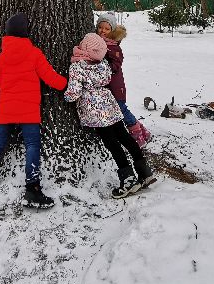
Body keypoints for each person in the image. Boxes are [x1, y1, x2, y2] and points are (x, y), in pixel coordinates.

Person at [0, 12, 67, 209]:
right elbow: (50, 78)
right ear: (25, 32)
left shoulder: (4, 55)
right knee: (32, 145)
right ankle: (32, 188)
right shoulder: (34, 53)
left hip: (6, 110)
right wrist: (66, 83)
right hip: (29, 111)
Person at [65, 32, 157, 198]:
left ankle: (128, 180)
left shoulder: (77, 67)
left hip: (95, 113)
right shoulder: (103, 64)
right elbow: (108, 79)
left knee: (112, 144)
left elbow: (74, 92)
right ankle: (145, 172)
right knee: (125, 137)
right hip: (111, 105)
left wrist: (66, 97)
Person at [96, 13, 150, 148]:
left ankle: (137, 135)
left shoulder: (113, 46)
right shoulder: (96, 42)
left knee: (121, 110)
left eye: (107, 29)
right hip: (107, 87)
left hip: (115, 87)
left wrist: (105, 66)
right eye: (100, 27)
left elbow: (116, 64)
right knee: (119, 111)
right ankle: (143, 131)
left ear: (112, 31)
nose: (103, 31)